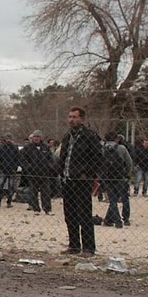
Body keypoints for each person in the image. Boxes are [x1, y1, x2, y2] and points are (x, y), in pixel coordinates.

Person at [58, 107, 102, 257]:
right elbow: (63, 158)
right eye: (69, 117)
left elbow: (97, 159)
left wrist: (87, 174)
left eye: (74, 117)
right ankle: (74, 245)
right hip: (67, 180)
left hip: (82, 181)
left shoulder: (90, 136)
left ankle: (89, 248)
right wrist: (57, 171)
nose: (71, 120)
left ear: (82, 119)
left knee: (84, 214)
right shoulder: (67, 137)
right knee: (69, 215)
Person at [20, 130, 56, 215]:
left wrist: (49, 167)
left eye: (38, 136)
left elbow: (50, 159)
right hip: (32, 174)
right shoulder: (27, 148)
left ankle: (47, 209)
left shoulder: (45, 147)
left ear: (41, 138)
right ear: (32, 138)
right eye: (34, 137)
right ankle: (36, 209)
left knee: (46, 192)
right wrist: (29, 168)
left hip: (44, 174)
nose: (36, 138)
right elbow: (23, 160)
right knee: (33, 192)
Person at [101, 131, 133, 228]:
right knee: (124, 198)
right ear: (116, 138)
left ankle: (111, 219)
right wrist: (127, 174)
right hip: (120, 176)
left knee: (113, 200)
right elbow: (129, 162)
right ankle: (125, 218)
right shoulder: (121, 148)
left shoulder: (102, 149)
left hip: (108, 177)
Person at [0, 133, 20, 208]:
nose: (8, 140)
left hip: (12, 170)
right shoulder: (1, 148)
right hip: (2, 169)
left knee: (11, 187)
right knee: (0, 186)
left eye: (9, 138)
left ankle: (9, 202)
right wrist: (0, 167)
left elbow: (17, 159)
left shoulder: (15, 148)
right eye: (7, 138)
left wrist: (15, 168)